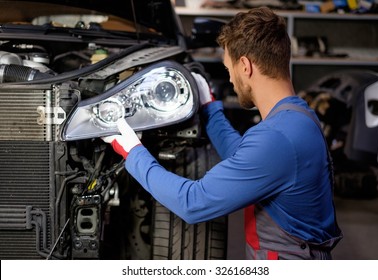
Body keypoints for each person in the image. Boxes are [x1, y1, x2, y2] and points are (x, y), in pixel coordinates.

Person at [103, 6, 342, 260]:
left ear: (245, 66)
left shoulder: (276, 139)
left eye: (228, 70)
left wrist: (133, 153)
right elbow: (245, 159)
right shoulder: (299, 117)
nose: (229, 80)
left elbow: (192, 202)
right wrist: (210, 110)